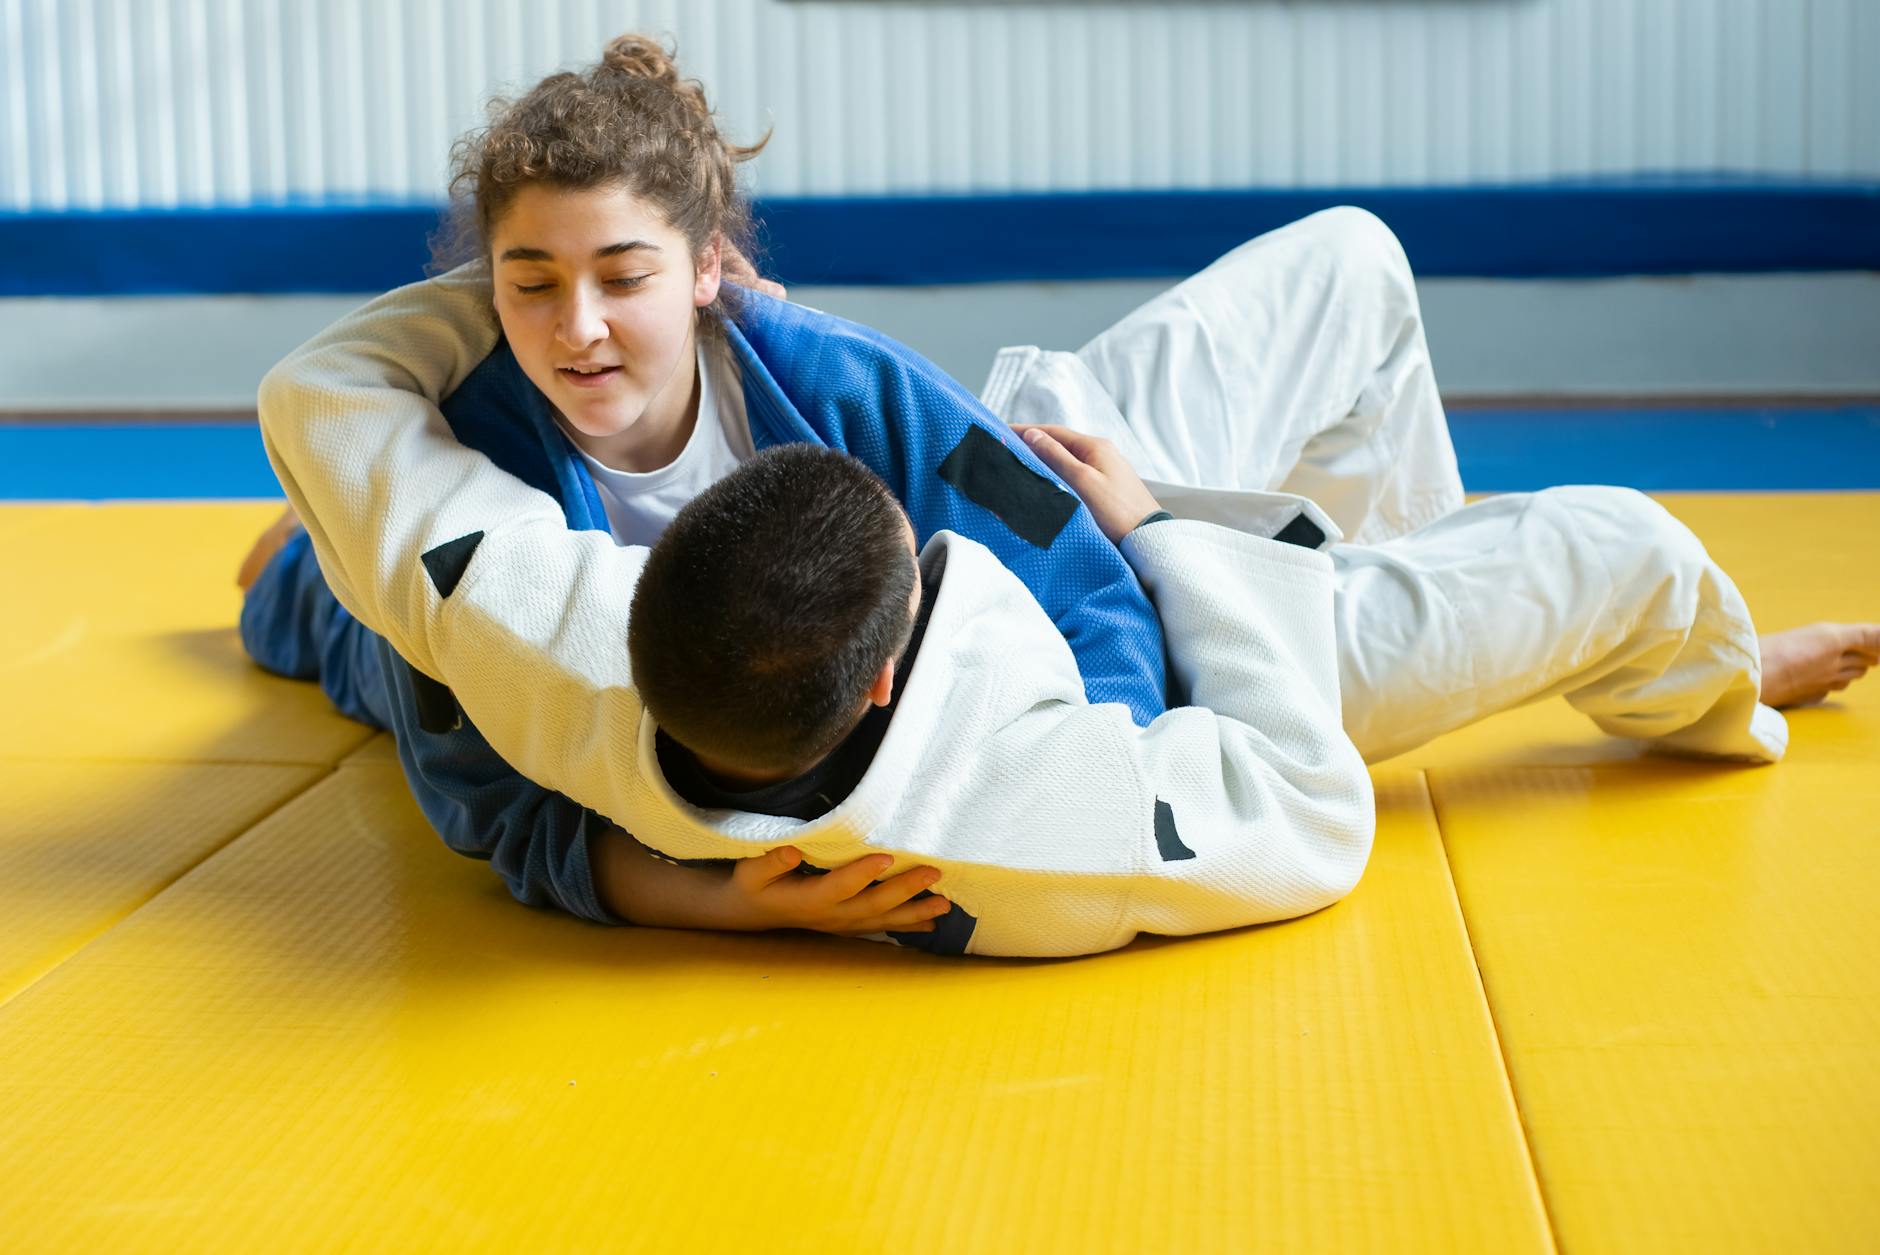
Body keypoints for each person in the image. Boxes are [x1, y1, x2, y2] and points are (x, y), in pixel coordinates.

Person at [243, 34, 1880, 946]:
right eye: (528, 285)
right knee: (1599, 561)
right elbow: (485, 794)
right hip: (1170, 698)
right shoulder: (494, 522)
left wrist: (1151, 610)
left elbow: (1083, 581)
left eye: (625, 274)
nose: (577, 328)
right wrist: (725, 904)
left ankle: (1389, 572)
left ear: (714, 272)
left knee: (1357, 265)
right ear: (480, 298)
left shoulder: (829, 376)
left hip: (1108, 562)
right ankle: (1682, 667)